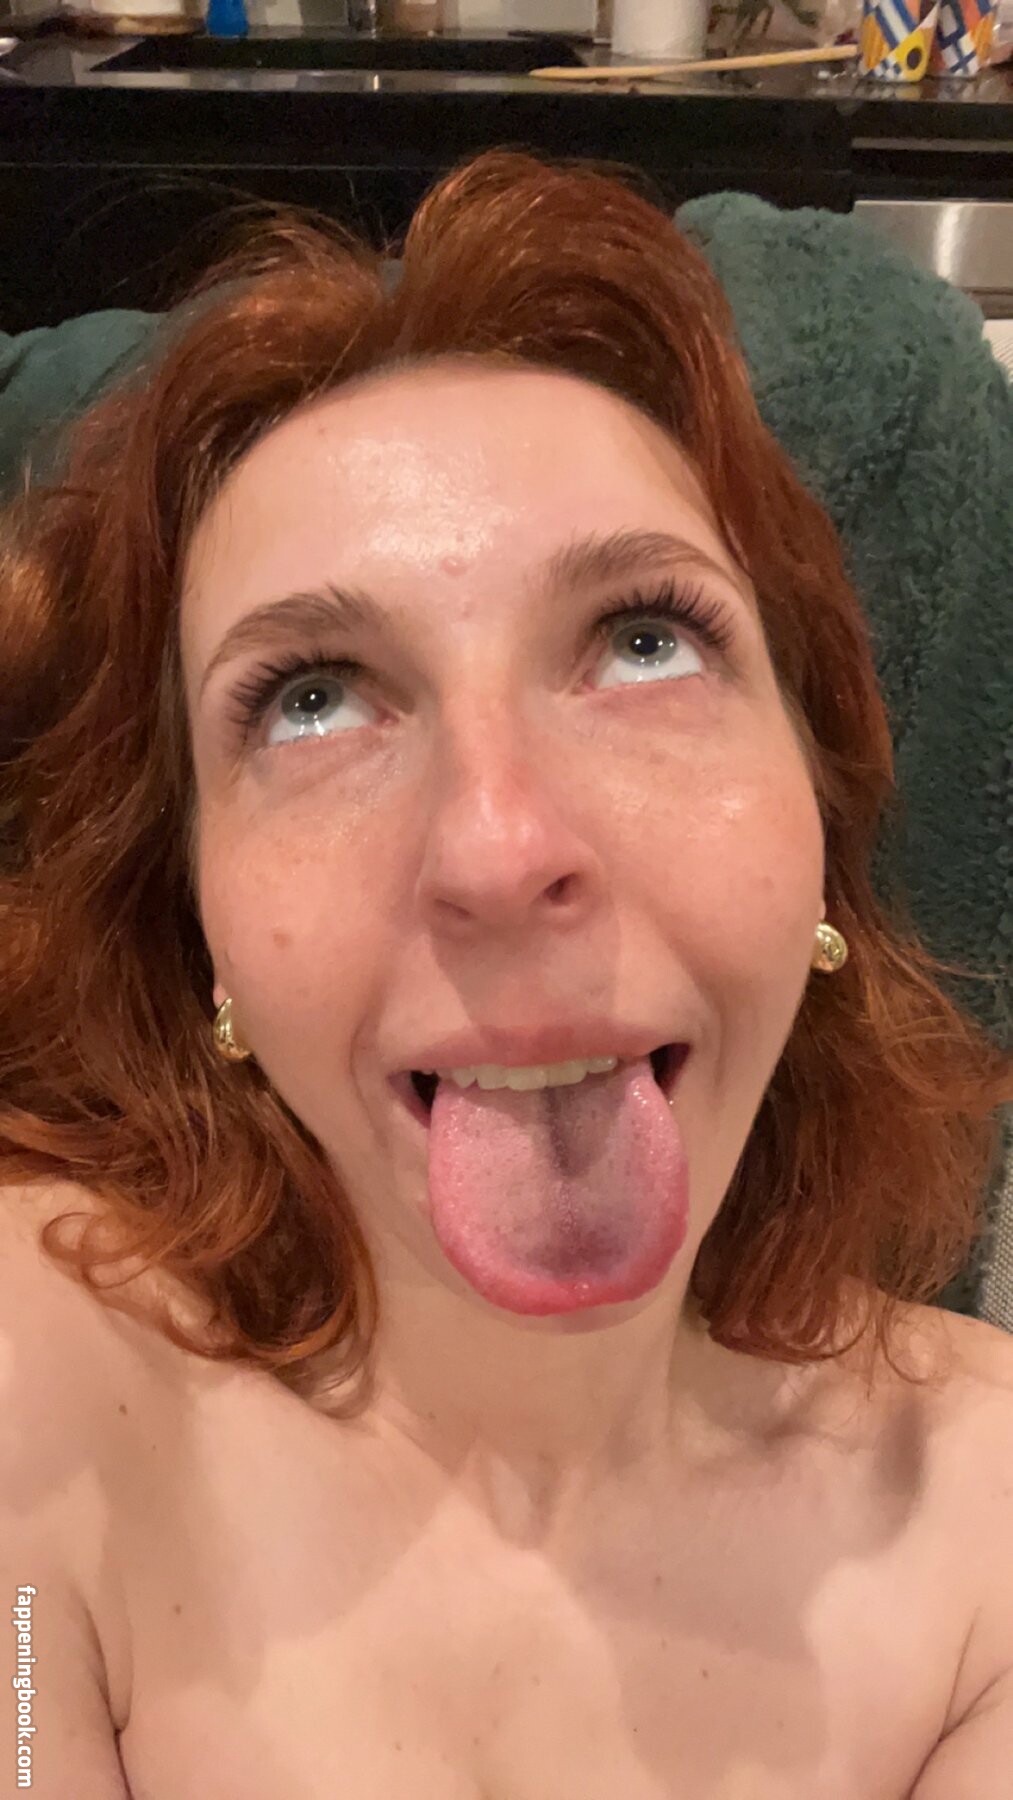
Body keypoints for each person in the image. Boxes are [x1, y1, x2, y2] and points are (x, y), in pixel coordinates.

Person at [0, 148, 1010, 1799]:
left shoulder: (988, 1543)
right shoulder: (36, 1410)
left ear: (823, 830)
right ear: (196, 931)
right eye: (312, 697)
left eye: (642, 640)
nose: (494, 845)